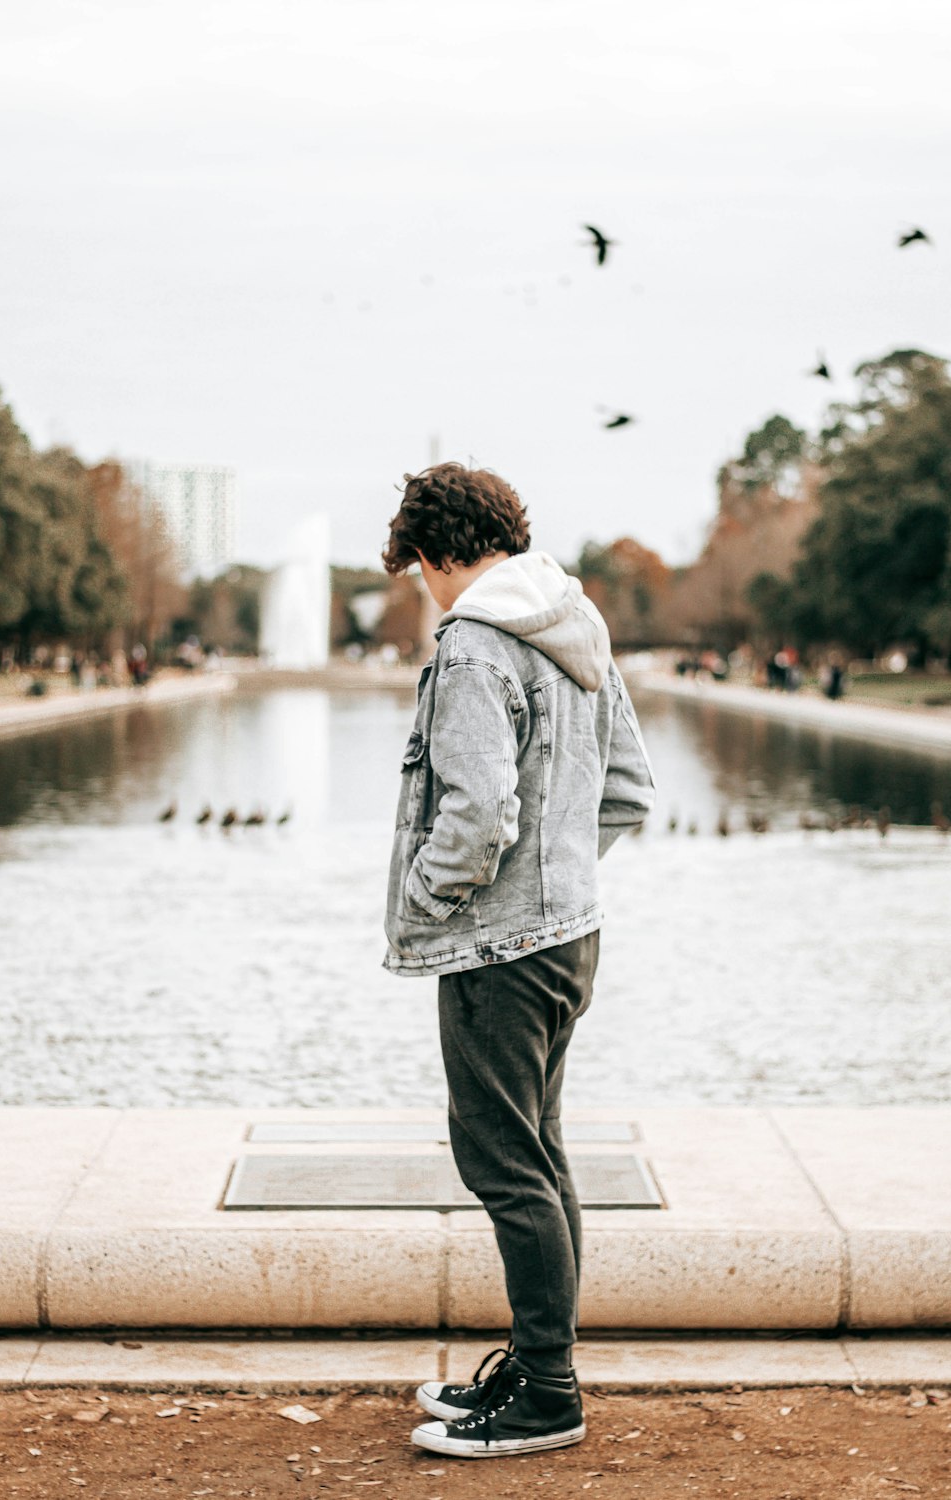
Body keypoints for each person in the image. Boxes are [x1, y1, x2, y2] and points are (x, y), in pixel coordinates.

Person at [380, 463, 656, 1460]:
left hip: (501, 949)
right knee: (538, 1154)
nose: (425, 589)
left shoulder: (472, 642)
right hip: (569, 935)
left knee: (504, 1165)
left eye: (418, 570)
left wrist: (425, 901)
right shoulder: (573, 619)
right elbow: (626, 790)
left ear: (439, 553)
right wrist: (559, 879)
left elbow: (479, 813)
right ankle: (538, 1365)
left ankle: (548, 1395)